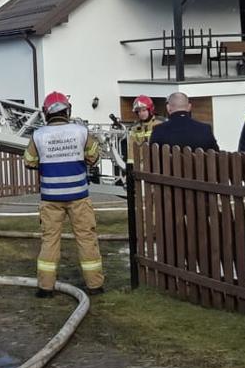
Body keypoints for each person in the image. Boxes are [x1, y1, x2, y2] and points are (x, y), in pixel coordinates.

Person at [23, 91, 104, 297]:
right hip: (79, 195)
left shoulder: (38, 135)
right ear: (68, 110)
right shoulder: (81, 131)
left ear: (45, 112)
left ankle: (45, 288)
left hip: (50, 198)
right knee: (86, 238)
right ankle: (95, 285)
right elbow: (94, 156)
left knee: (50, 240)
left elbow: (29, 161)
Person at [148, 92, 219, 151]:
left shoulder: (158, 130)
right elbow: (216, 155)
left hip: (169, 168)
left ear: (168, 108)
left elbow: (152, 159)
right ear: (189, 107)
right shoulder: (205, 129)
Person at [124, 95, 158, 177]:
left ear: (150, 110)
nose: (141, 113)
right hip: (141, 166)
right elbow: (131, 147)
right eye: (138, 111)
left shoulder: (160, 123)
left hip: (158, 165)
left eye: (143, 110)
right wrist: (130, 165)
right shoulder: (135, 128)